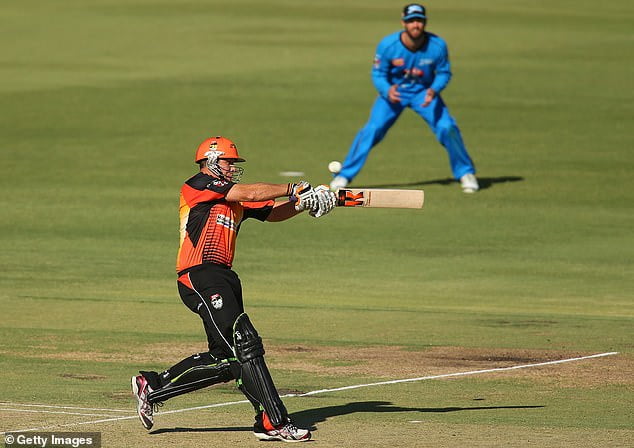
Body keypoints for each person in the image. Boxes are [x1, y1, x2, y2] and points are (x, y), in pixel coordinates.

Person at [131, 136, 336, 442]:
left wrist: (302, 205)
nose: (232, 167)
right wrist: (295, 188)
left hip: (224, 277)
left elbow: (272, 212)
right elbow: (252, 190)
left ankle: (154, 385)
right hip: (198, 274)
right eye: (228, 161)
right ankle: (274, 421)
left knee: (228, 361)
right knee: (246, 342)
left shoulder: (235, 200)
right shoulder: (198, 185)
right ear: (211, 161)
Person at [330, 3, 479, 193]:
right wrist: (386, 90)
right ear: (403, 23)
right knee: (372, 129)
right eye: (411, 21)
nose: (415, 25)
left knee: (447, 127)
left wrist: (434, 90)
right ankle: (344, 175)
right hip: (395, 94)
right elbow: (378, 73)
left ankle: (465, 173)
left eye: (419, 21)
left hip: (424, 93)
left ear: (425, 23)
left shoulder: (437, 45)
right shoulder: (388, 45)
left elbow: (443, 72)